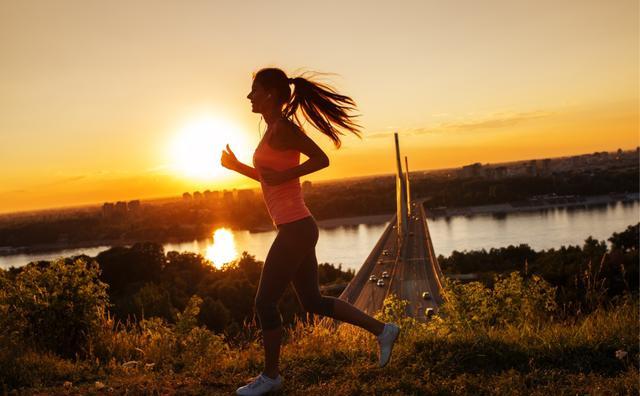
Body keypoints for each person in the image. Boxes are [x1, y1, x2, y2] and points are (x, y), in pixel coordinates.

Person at [221, 68, 400, 396]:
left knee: (264, 302)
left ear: (271, 93)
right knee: (313, 301)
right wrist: (237, 167)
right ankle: (383, 330)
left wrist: (289, 172)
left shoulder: (284, 128)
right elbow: (270, 179)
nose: (249, 96)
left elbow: (321, 159)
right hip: (296, 227)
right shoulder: (272, 128)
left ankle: (271, 377)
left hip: (296, 229)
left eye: (254, 90)